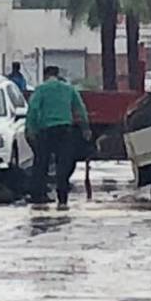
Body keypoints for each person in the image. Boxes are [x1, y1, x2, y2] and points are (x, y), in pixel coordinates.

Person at [25, 65, 90, 210]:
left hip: (46, 131)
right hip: (65, 130)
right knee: (64, 164)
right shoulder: (68, 89)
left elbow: (33, 110)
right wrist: (86, 128)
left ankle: (39, 195)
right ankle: (62, 198)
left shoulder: (41, 90)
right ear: (57, 74)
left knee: (41, 163)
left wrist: (31, 129)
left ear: (45, 75)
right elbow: (80, 109)